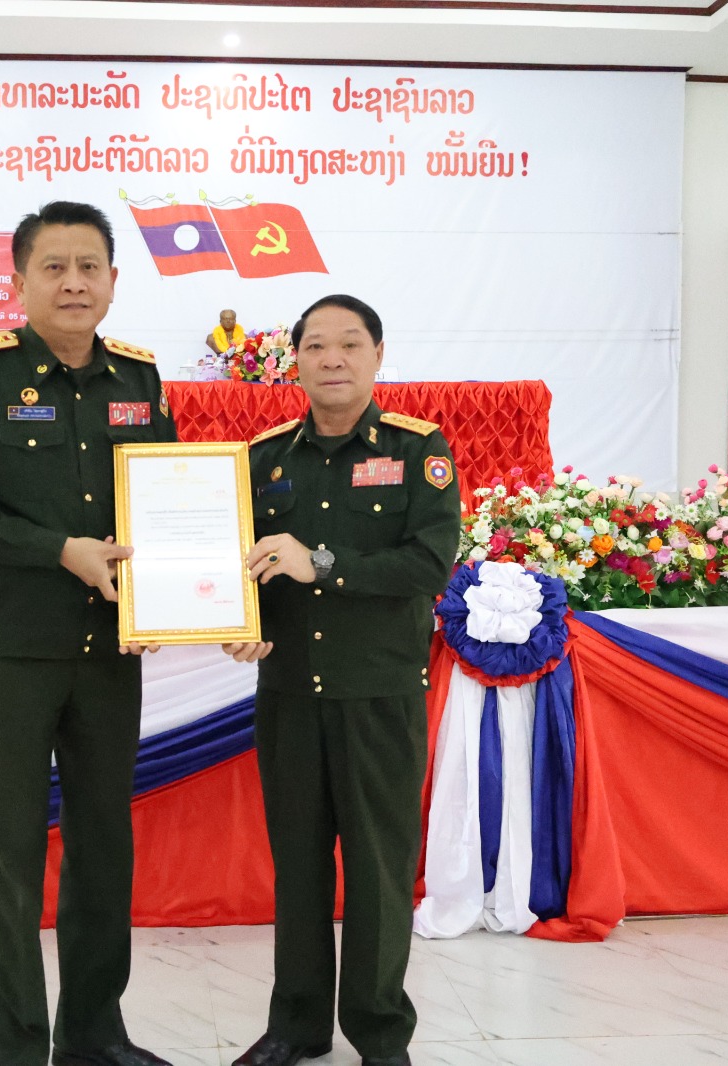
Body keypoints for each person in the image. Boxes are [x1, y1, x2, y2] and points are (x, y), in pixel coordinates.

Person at [0, 201, 176, 1066]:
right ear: (20, 280)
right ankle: (17, 1046)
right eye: (53, 267)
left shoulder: (138, 378)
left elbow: (166, 503)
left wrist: (169, 598)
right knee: (12, 854)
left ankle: (95, 1035)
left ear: (112, 281)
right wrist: (58, 549)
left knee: (104, 849)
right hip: (13, 652)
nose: (73, 283)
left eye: (88, 266)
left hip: (110, 654)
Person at [223, 295, 462, 1066]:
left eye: (349, 344)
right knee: (297, 869)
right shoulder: (264, 459)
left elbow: (428, 565)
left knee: (379, 873)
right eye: (316, 345)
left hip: (379, 695)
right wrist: (236, 620)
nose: (332, 358)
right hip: (289, 693)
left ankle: (381, 1035)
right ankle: (295, 1027)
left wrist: (321, 563)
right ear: (293, 360)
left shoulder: (418, 449)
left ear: (377, 355)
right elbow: (238, 565)